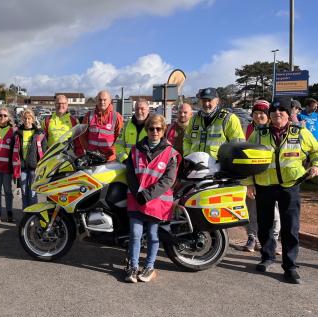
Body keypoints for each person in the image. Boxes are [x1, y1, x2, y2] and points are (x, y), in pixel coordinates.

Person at [246, 97, 318, 284]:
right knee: (265, 225)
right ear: (270, 114)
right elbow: (246, 159)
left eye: (282, 111)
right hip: (264, 185)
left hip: (290, 186)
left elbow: (316, 150)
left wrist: (315, 164)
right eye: (274, 111)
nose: (277, 114)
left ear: (289, 113)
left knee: (290, 227)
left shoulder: (300, 132)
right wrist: (249, 183)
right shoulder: (259, 134)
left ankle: (290, 266)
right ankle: (267, 257)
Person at [124, 114, 181, 283]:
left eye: (158, 129)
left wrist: (146, 195)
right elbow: (130, 173)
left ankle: (149, 266)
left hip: (157, 202)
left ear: (163, 131)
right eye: (151, 128)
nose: (154, 132)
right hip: (137, 199)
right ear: (147, 130)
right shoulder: (135, 149)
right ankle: (133, 266)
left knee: (152, 234)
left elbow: (168, 180)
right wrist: (137, 194)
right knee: (135, 234)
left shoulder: (170, 153)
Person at [242, 100, 281, 253]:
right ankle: (252, 237)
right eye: (256, 113)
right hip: (251, 176)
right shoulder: (247, 129)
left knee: (275, 211)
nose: (258, 116)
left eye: (262, 113)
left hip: (272, 178)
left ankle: (275, 240)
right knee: (251, 208)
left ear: (268, 115)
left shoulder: (275, 129)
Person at [183, 87, 245, 159]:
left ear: (217, 101)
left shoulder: (229, 119)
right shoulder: (194, 119)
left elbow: (238, 146)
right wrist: (187, 156)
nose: (206, 104)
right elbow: (187, 140)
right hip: (195, 166)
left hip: (219, 167)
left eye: (209, 100)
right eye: (204, 100)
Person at [13, 109, 47, 209]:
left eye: (29, 118)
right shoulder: (17, 133)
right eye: (25, 118)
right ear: (22, 119)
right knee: (24, 193)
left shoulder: (39, 133)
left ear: (32, 119)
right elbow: (14, 151)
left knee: (32, 194)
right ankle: (26, 215)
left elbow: (43, 151)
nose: (27, 120)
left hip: (34, 168)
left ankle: (34, 216)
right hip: (22, 167)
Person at [80, 90, 123, 162]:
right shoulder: (89, 115)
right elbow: (82, 136)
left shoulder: (117, 117)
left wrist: (111, 152)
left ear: (110, 101)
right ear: (96, 100)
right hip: (92, 158)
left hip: (109, 159)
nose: (102, 102)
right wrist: (88, 150)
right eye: (100, 100)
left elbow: (119, 139)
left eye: (104, 100)